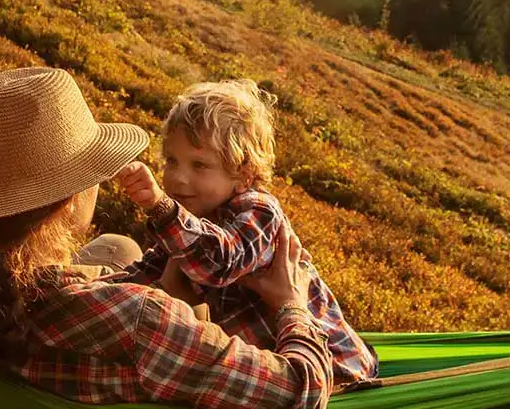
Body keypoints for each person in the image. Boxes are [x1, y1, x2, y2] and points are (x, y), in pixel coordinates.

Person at [0, 68, 333, 408]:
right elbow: (302, 392)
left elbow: (57, 296)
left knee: (119, 247)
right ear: (71, 201)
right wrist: (291, 305)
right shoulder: (144, 321)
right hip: (151, 345)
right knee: (122, 251)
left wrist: (159, 287)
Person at [108, 80, 378, 383]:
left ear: (243, 175)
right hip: (277, 373)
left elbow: (218, 262)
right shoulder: (195, 222)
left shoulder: (259, 213)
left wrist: (160, 206)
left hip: (335, 373)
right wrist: (86, 291)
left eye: (199, 165)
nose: (178, 178)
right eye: (172, 161)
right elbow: (143, 274)